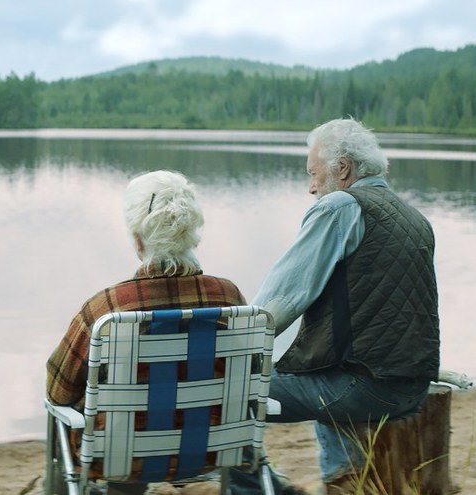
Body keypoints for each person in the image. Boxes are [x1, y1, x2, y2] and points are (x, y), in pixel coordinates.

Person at [251, 118, 439, 491]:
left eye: (314, 173)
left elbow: (277, 304)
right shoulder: (415, 218)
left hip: (364, 388)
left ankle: (263, 485)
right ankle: (345, 480)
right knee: (323, 367)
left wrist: (228, 348)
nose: (310, 187)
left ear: (342, 168)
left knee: (229, 391)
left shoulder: (339, 207)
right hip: (411, 386)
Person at [47, 170, 251, 494]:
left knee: (69, 417)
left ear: (138, 239)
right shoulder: (230, 300)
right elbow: (247, 383)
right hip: (211, 451)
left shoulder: (107, 310)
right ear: (192, 231)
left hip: (121, 457)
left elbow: (58, 391)